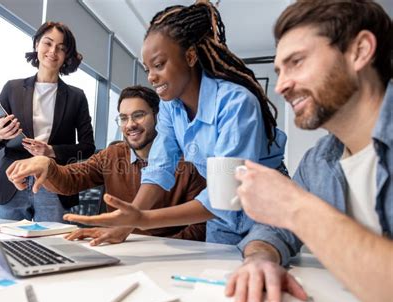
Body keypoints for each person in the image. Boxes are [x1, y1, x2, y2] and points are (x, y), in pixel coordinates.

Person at [58, 1, 287, 247]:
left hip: (266, 209)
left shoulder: (236, 103)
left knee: (260, 277)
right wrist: (127, 223)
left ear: (189, 56)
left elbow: (224, 195)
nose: (151, 77)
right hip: (222, 218)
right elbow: (159, 169)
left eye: (159, 65)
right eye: (148, 68)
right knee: (218, 280)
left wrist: (144, 219)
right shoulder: (170, 107)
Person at [224, 1, 393, 302]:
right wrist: (260, 259)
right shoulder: (318, 161)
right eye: (279, 70)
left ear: (359, 51)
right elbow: (272, 232)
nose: (281, 86)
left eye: (296, 62)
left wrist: (294, 207)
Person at [6, 85, 207, 244]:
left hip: (166, 254)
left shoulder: (188, 162)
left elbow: (199, 227)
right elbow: (71, 179)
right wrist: (47, 165)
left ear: (158, 117)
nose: (130, 125)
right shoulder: (112, 154)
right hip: (115, 247)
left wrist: (151, 248)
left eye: (139, 115)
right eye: (124, 118)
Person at [0, 21, 95, 222]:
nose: (53, 51)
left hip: (53, 180)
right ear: (36, 44)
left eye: (61, 48)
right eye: (48, 43)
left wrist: (50, 151)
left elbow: (87, 148)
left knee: (52, 245)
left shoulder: (76, 97)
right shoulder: (12, 89)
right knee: (6, 243)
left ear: (67, 56)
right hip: (12, 178)